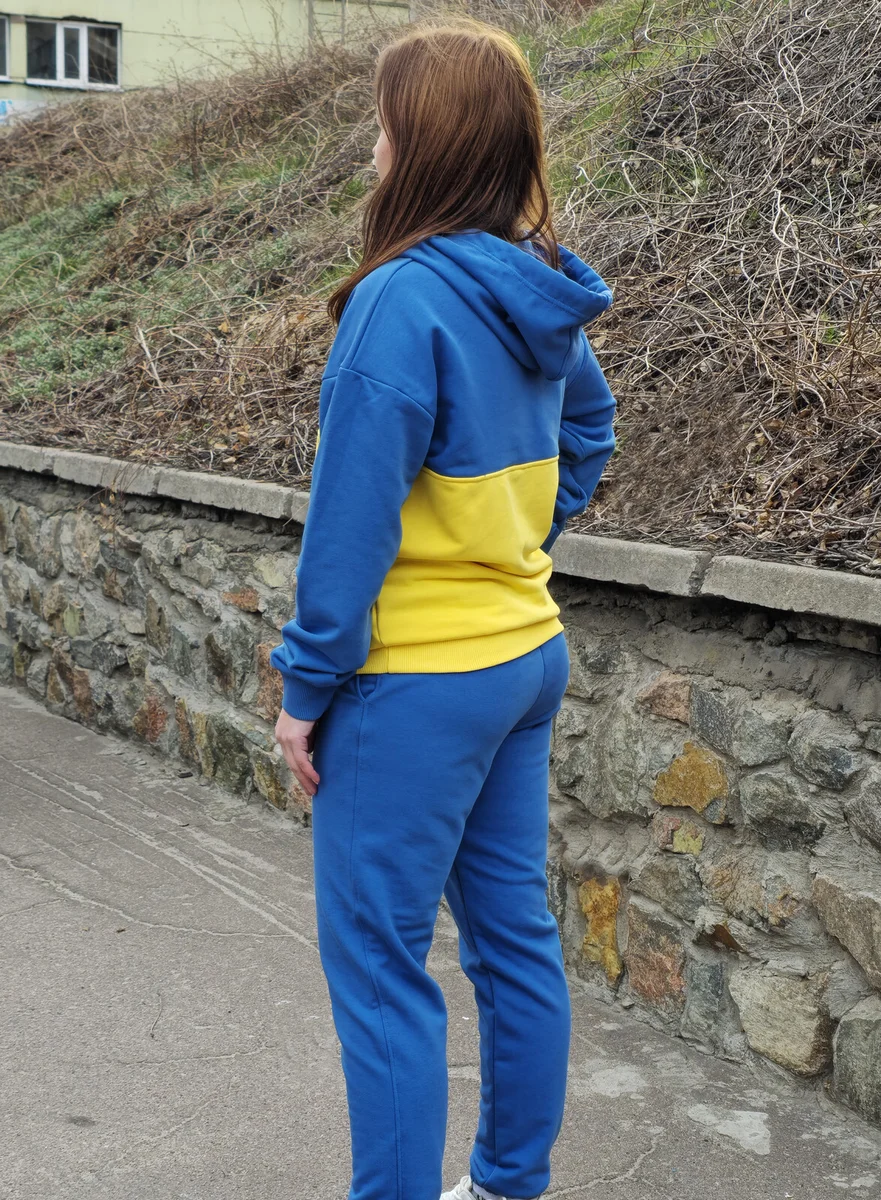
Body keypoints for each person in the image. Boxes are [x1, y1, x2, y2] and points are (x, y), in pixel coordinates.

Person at [269, 16, 617, 1200]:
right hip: (522, 659)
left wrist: (304, 689)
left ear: (422, 141)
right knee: (513, 942)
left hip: (411, 684)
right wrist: (515, 539)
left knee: (381, 975)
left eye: (380, 125)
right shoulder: (532, 287)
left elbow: (348, 530)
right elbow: (589, 426)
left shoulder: (400, 299)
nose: (370, 148)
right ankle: (509, 1184)